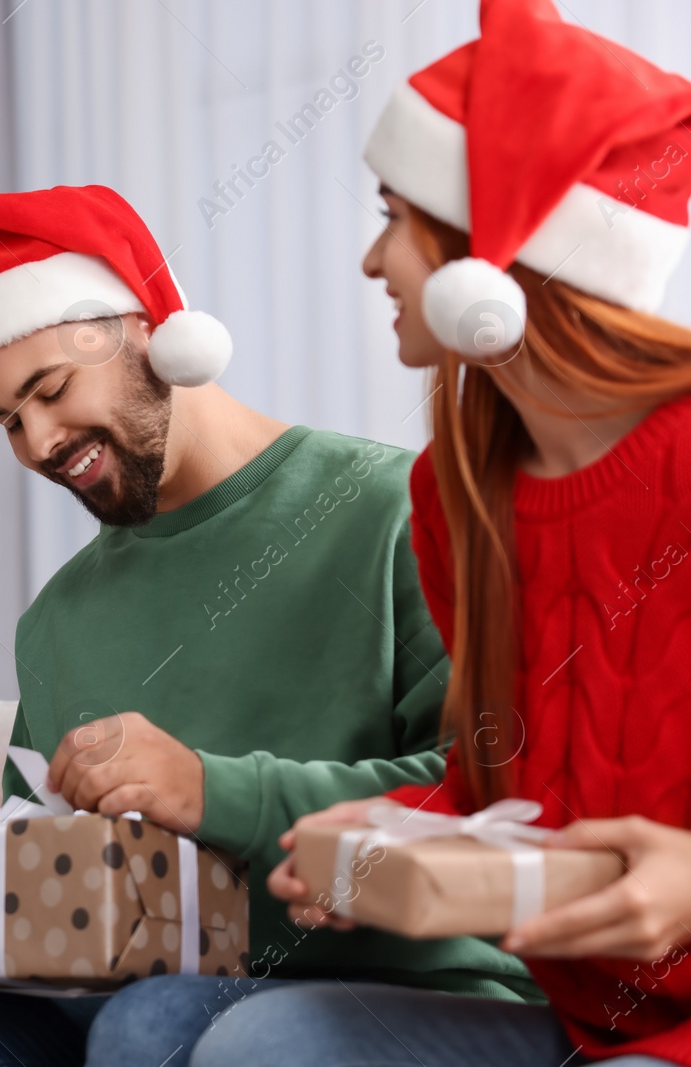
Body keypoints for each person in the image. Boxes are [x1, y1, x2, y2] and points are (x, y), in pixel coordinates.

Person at [0, 183, 536, 1067]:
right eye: (7, 419)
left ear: (153, 330)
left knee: (154, 1024)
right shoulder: (56, 620)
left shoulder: (399, 508)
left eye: (50, 390)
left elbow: (493, 794)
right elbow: (37, 864)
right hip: (144, 981)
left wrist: (206, 787)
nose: (38, 441)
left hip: (400, 981)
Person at [197, 3, 691, 1065]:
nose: (375, 261)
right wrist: (368, 836)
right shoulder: (459, 489)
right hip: (585, 1024)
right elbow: (498, 791)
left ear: (489, 247)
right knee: (255, 1045)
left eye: (394, 216)